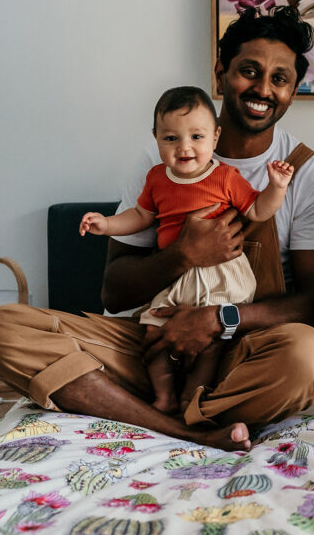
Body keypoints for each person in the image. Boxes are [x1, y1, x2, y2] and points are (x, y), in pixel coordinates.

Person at [0, 5, 314, 451]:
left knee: (309, 356)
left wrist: (216, 321)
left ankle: (140, 411)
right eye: (249, 71)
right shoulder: (161, 161)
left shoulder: (304, 172)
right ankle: (188, 428)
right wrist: (185, 253)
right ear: (221, 73)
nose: (263, 88)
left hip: (241, 356)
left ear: (293, 91)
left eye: (279, 79)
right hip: (149, 345)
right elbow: (114, 292)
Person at [78, 85, 295, 415]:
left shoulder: (225, 177)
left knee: (211, 344)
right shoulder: (156, 178)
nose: (184, 148)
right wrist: (105, 224)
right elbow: (140, 217)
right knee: (154, 333)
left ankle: (194, 398)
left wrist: (276, 188)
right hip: (175, 277)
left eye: (196, 137)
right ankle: (164, 396)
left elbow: (257, 210)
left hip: (218, 274)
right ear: (156, 138)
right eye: (171, 139)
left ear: (215, 137)